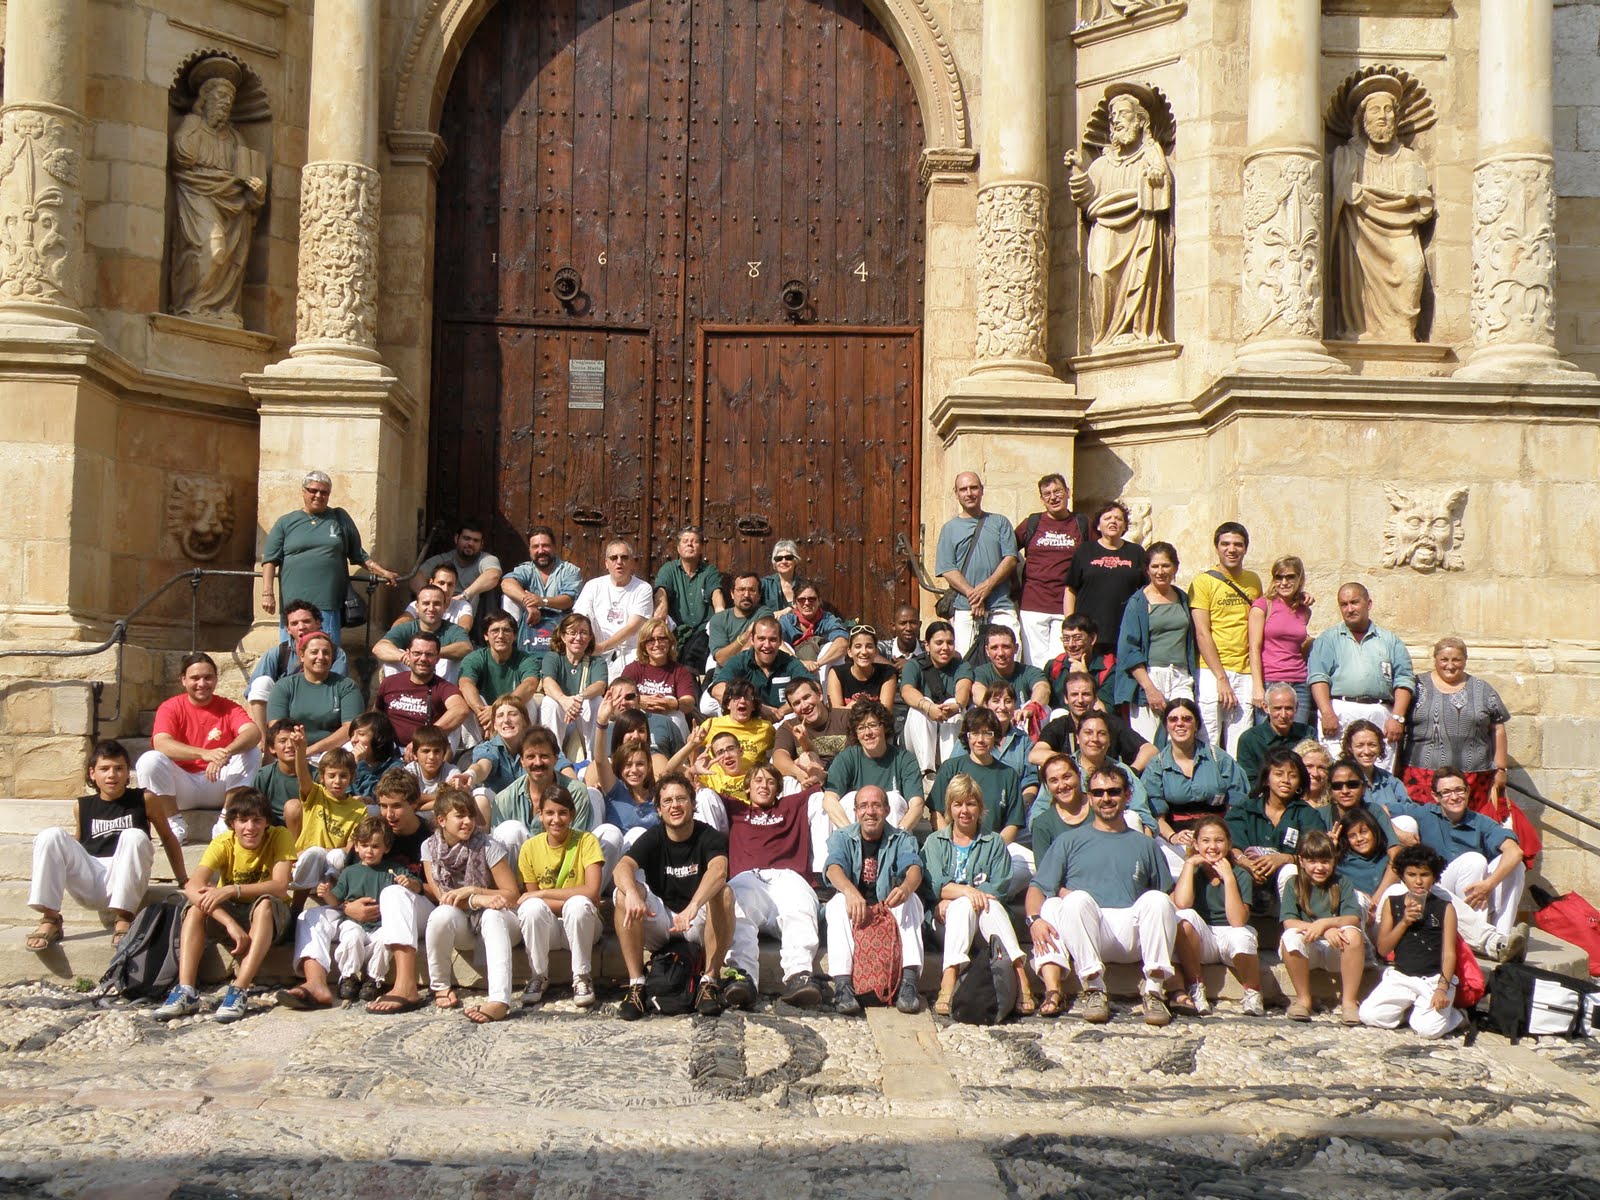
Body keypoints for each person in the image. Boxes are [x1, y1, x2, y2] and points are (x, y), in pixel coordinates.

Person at [1025, 766, 1179, 1024]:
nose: (1105, 798)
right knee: (1075, 900)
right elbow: (1038, 887)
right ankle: (1094, 988)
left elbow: (1168, 894)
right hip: (1089, 931)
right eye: (1098, 792)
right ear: (1090, 796)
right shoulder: (1069, 841)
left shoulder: (1145, 844)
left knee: (1158, 900)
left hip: (1133, 931)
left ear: (1127, 795)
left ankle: (1154, 991)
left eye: (1113, 792)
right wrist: (1034, 920)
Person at [26, 740, 185, 953]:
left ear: (128, 773)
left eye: (119, 768)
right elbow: (77, 848)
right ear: (92, 774)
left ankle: (124, 917)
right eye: (104, 769)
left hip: (125, 875)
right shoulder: (82, 806)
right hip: (91, 877)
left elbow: (167, 837)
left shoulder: (145, 799)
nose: (112, 775)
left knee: (135, 835)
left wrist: (183, 878)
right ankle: (51, 918)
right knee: (50, 835)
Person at [153, 788, 293, 1023]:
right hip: (233, 914)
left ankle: (239, 988)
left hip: (272, 916)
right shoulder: (223, 843)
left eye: (257, 820)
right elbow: (192, 886)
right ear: (232, 824)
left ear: (267, 822)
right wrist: (229, 923)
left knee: (265, 904)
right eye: (243, 821)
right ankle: (186, 990)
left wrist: (231, 889)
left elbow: (280, 885)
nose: (250, 827)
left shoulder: (279, 836)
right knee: (196, 905)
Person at [614, 772, 737, 1020]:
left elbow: (719, 870)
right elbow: (622, 868)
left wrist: (693, 907)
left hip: (696, 921)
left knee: (723, 893)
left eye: (681, 799)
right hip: (661, 920)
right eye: (667, 801)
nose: (675, 806)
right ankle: (637, 984)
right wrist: (633, 895)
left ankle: (709, 981)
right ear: (659, 809)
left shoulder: (708, 836)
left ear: (693, 804)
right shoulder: (654, 837)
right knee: (622, 894)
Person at [1063, 87, 1173, 349]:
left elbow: (1161, 178)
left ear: (1141, 120)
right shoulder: (1101, 164)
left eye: (1123, 114)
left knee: (1140, 275)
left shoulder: (1150, 155)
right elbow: (1086, 196)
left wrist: (1156, 175)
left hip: (1139, 229)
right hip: (1105, 230)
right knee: (1099, 274)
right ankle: (1105, 336)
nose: (1116, 120)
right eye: (1113, 116)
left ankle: (1136, 330)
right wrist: (1079, 171)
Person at [275, 814, 421, 1009]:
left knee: (382, 942)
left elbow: (417, 885)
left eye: (375, 847)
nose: (369, 851)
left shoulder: (393, 869)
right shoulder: (350, 872)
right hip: (354, 922)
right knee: (321, 921)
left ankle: (373, 980)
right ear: (357, 846)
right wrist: (327, 895)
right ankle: (336, 979)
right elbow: (336, 899)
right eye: (365, 845)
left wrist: (409, 883)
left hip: (382, 924)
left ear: (386, 848)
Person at [1329, 75, 1435, 343]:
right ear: (1362, 118)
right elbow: (1335, 199)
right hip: (1360, 235)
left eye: (1388, 110)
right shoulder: (1347, 156)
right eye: (1375, 110)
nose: (1383, 116)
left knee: (1412, 266)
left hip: (1400, 233)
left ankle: (1402, 333)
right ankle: (1359, 329)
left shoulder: (1408, 159)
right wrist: (1348, 192)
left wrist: (1401, 200)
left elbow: (1422, 207)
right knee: (1357, 277)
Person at [1385, 768, 1528, 963]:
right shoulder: (1425, 813)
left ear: (1468, 791)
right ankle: (1484, 942)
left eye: (1459, 790)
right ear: (1436, 796)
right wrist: (1400, 834)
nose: (1454, 797)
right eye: (1446, 792)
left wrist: (1489, 884)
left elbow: (1515, 852)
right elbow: (1379, 810)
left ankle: (1502, 938)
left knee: (1515, 866)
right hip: (1435, 888)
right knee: (1474, 860)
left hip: (1474, 891)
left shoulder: (1481, 822)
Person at [925, 774, 1034, 1017]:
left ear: (980, 807)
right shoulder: (935, 842)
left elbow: (1000, 887)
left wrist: (959, 893)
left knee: (988, 906)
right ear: (949, 808)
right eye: (958, 804)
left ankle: (1020, 973)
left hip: (985, 921)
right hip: (944, 922)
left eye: (970, 803)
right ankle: (950, 976)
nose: (964, 810)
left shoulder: (994, 842)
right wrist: (966, 892)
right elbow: (933, 886)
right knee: (965, 905)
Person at [168, 56, 266, 324]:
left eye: (229, 99)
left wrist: (255, 191)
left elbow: (249, 179)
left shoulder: (235, 138)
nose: (225, 103)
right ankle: (192, 305)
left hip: (232, 204)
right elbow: (181, 157)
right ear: (205, 99)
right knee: (213, 248)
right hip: (197, 194)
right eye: (220, 97)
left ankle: (221, 308)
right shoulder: (192, 125)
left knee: (230, 259)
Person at [724, 763, 824, 1007]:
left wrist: (815, 776)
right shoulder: (735, 808)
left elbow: (818, 789)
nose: (763, 785)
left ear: (778, 789)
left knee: (800, 907)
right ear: (746, 788)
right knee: (737, 906)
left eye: (770, 782)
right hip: (749, 877)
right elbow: (700, 795)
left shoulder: (790, 806)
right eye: (757, 781)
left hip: (787, 876)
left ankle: (799, 975)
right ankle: (742, 976)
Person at [260, 470, 400, 644]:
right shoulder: (286, 522)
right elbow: (270, 560)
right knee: (291, 656)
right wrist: (267, 593)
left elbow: (358, 554)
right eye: (313, 490)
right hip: (293, 605)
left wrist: (383, 572)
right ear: (303, 492)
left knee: (325, 652)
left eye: (324, 492)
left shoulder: (339, 518)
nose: (318, 495)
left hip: (327, 603)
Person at [137, 652, 262, 844]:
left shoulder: (228, 707)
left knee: (252, 752)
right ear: (183, 680)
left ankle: (226, 820)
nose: (202, 683)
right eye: (195, 678)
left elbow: (253, 733)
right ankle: (173, 823)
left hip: (219, 783)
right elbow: (161, 742)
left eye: (208, 677)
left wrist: (225, 753)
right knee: (149, 760)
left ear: (216, 679)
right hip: (181, 787)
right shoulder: (171, 707)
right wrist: (205, 754)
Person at [420, 788, 522, 1023]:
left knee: (492, 916)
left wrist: (475, 891)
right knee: (441, 914)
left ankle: (499, 1000)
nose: (468, 822)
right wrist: (478, 900)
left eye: (471, 816)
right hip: (463, 920)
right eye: (460, 816)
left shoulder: (487, 845)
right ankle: (441, 986)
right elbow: (443, 896)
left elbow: (512, 895)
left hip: (500, 921)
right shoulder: (429, 847)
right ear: (442, 820)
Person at [823, 785, 926, 1015]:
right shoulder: (843, 837)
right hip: (854, 909)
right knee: (836, 905)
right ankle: (842, 985)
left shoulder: (901, 838)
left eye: (876, 805)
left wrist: (907, 888)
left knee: (911, 901)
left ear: (887, 810)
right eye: (864, 806)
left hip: (886, 907)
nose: (870, 812)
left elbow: (913, 867)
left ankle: (908, 982)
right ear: (856, 811)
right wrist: (850, 892)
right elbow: (833, 868)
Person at [1400, 637, 1514, 817]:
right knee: (1425, 826)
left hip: (1473, 779)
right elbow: (1399, 726)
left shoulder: (1482, 689)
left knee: (1468, 828)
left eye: (1457, 660)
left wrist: (1501, 769)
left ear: (1465, 660)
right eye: (1444, 660)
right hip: (1421, 777)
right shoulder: (1416, 686)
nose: (1450, 665)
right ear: (1435, 659)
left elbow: (1497, 727)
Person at [1308, 582, 1416, 771]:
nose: (1349, 609)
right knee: (1337, 772)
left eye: (1354, 602)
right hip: (1339, 712)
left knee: (1380, 771)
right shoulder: (1328, 639)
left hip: (1380, 712)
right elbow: (1318, 677)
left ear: (1369, 604)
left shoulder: (1390, 641)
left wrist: (1397, 717)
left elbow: (1404, 680)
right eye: (1344, 604)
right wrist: (1326, 713)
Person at [1359, 844, 1463, 1039]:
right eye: (1411, 874)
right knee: (1369, 1015)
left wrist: (1442, 987)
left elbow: (1449, 953)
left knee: (1427, 1031)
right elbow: (1383, 948)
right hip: (1402, 976)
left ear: (1433, 876)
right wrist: (1404, 922)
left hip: (1432, 978)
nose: (1418, 881)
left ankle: (1454, 1017)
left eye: (1424, 875)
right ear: (1402, 876)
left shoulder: (1444, 908)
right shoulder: (1393, 904)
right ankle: (1410, 1010)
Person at [516, 784, 605, 1009]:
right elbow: (532, 900)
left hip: (584, 924)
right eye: (550, 813)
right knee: (532, 908)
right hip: (551, 929)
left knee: (578, 905)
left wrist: (545, 893)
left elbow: (591, 891)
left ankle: (582, 976)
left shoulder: (586, 841)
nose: (556, 819)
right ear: (540, 815)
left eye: (562, 813)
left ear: (572, 815)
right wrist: (546, 898)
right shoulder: (529, 848)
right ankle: (538, 975)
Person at [927, 708, 1029, 895]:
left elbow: (1013, 824)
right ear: (967, 736)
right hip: (954, 845)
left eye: (987, 733)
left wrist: (991, 847)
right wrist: (952, 842)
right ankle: (976, 893)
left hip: (994, 848)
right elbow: (935, 812)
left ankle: (988, 893)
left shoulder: (1008, 774)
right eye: (974, 733)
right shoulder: (952, 767)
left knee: (1028, 864)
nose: (980, 740)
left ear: (996, 737)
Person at [1172, 816, 1264, 1016]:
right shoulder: (1194, 872)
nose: (1212, 847)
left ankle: (1253, 991)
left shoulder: (1240, 874)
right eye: (1205, 841)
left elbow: (1238, 920)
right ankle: (1196, 987)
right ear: (1196, 844)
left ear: (1228, 843)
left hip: (1229, 933)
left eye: (1219, 841)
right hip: (1203, 936)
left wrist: (1228, 877)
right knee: (1185, 916)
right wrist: (1188, 866)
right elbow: (1181, 903)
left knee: (1243, 934)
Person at [816, 700, 925, 868]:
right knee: (847, 799)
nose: (867, 733)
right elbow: (829, 800)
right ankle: (837, 864)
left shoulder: (904, 759)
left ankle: (892, 863)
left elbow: (917, 804)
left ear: (884, 727)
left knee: (892, 800)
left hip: (893, 831)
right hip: (855, 831)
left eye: (873, 725)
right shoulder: (848, 757)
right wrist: (851, 834)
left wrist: (898, 835)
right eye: (861, 728)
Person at [362, 769, 435, 1015]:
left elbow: (445, 893)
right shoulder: (377, 835)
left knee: (394, 893)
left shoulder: (431, 837)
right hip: (379, 914)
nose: (388, 814)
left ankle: (406, 986)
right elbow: (353, 877)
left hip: (426, 910)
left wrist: (419, 887)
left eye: (396, 806)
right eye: (383, 806)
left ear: (414, 803)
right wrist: (345, 907)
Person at [1190, 522, 1263, 757]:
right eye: (1226, 544)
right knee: (1208, 740)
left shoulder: (1253, 581)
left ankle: (1237, 793)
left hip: (1244, 671)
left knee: (1239, 744)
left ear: (1246, 548)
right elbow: (1202, 632)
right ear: (1217, 547)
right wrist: (1221, 678)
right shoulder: (1203, 582)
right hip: (1212, 670)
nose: (1232, 549)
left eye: (1238, 544)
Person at [1278, 830, 1365, 1024]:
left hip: (1336, 950)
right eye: (1313, 861)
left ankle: (1349, 1002)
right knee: (1290, 937)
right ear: (1301, 861)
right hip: (1309, 949)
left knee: (1353, 935)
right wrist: (1323, 929)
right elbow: (1289, 921)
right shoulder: (1294, 883)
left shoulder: (1342, 883)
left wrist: (1327, 923)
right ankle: (1303, 999)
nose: (1319, 867)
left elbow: (1353, 917)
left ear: (1333, 861)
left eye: (1325, 861)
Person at [1140, 698, 1247, 856]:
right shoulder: (1157, 765)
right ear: (1166, 725)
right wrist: (1173, 837)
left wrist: (1220, 835)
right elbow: (1156, 816)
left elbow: (1237, 803)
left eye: (1187, 719)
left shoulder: (1218, 757)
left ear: (1196, 724)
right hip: (1178, 838)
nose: (1180, 723)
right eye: (1173, 719)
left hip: (1217, 837)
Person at [1115, 541, 1197, 740]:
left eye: (1166, 565)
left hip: (1180, 675)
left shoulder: (1183, 599)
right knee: (1149, 741)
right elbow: (1129, 650)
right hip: (1150, 676)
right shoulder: (1138, 603)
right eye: (1155, 566)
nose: (1160, 571)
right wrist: (1150, 689)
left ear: (1175, 567)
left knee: (1183, 736)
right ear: (1148, 570)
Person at [1226, 748, 1327, 903]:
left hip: (1290, 882)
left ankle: (1291, 919)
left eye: (1292, 776)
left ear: (1300, 782)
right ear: (1266, 779)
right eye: (1279, 774)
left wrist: (1285, 858)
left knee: (1290, 871)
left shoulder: (1307, 814)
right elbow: (1230, 844)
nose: (1285, 780)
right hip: (1247, 876)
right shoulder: (1244, 809)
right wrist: (1246, 862)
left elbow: (1316, 855)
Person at [934, 471, 1020, 651]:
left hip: (1000, 604)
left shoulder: (1000, 522)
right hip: (966, 608)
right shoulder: (949, 528)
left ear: (982, 490)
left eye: (973, 487)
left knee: (1008, 657)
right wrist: (974, 596)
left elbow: (1010, 559)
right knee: (967, 662)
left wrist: (987, 587)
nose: (969, 493)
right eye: (963, 489)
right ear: (956, 493)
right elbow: (948, 569)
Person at [243, 600, 349, 743]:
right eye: (294, 623)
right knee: (261, 684)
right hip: (281, 708)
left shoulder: (335, 653)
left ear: (318, 623)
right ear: (287, 629)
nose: (301, 627)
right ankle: (265, 743)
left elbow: (336, 688)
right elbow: (252, 694)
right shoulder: (278, 653)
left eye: (306, 621)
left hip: (320, 705)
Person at [1015, 473, 1089, 667]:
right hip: (1033, 604)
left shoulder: (1082, 523)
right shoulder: (1032, 523)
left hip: (1067, 605)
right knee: (1035, 664)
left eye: (1057, 491)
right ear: (1041, 499)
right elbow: (1006, 552)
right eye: (1047, 494)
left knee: (1061, 662)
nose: (1053, 497)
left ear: (1068, 493)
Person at [485, 728, 595, 855]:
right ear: (522, 761)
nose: (538, 762)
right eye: (531, 757)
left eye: (544, 756)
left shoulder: (576, 793)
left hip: (565, 865)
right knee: (510, 830)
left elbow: (576, 844)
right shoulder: (504, 799)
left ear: (556, 758)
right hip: (519, 869)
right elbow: (497, 853)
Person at [283, 730, 365, 897]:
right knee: (314, 854)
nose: (337, 781)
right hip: (306, 863)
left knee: (336, 855)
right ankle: (297, 904)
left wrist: (322, 851)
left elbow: (350, 848)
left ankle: (332, 893)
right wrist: (300, 750)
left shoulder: (358, 809)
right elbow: (303, 777)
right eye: (331, 775)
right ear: (321, 777)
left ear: (351, 778)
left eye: (343, 776)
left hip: (330, 868)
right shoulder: (316, 794)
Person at [1065, 501, 1146, 661]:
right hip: (1088, 633)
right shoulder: (1085, 551)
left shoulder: (1136, 553)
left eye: (1118, 518)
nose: (1113, 521)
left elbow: (1146, 591)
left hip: (1125, 632)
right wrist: (1070, 625)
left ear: (1124, 526)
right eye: (1107, 518)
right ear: (1098, 525)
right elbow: (1070, 589)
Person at [265, 631, 363, 760]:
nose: (321, 657)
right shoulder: (285, 686)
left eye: (326, 652)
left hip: (333, 751)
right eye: (314, 652)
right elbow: (277, 727)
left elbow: (350, 728)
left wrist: (312, 750)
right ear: (301, 655)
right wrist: (299, 749)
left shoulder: (346, 686)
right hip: (294, 749)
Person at [1031, 671, 1154, 774]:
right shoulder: (1059, 725)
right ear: (1065, 698)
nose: (1080, 700)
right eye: (1074, 694)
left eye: (1085, 694)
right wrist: (1075, 764)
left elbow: (1150, 750)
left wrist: (1129, 772)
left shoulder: (1110, 723)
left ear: (1095, 698)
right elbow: (1035, 755)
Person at [574, 539, 655, 680]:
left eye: (624, 557)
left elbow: (632, 627)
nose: (619, 562)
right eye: (614, 558)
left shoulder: (643, 588)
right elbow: (579, 619)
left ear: (631, 562)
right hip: (594, 645)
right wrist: (593, 647)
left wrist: (603, 647)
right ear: (606, 563)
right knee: (583, 615)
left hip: (629, 650)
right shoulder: (593, 586)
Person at [899, 620, 973, 775]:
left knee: (955, 705)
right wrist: (928, 707)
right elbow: (907, 690)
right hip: (917, 737)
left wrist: (957, 706)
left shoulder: (962, 666)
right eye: (939, 643)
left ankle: (950, 771)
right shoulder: (914, 665)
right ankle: (927, 773)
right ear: (927, 645)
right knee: (920, 709)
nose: (945, 648)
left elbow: (963, 688)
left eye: (950, 643)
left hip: (951, 732)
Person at [1248, 555, 1314, 725]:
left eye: (1290, 577)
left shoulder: (1304, 610)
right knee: (1268, 742)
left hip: (1300, 682)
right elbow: (1254, 648)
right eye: (1279, 577)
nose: (1284, 582)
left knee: (1298, 742)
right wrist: (1257, 686)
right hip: (1270, 680)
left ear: (1299, 578)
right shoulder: (1263, 606)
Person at [374, 631, 470, 748]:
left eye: (429, 654)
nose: (423, 659)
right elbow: (375, 716)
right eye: (417, 653)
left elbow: (461, 709)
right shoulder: (390, 682)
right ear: (408, 654)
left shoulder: (443, 687)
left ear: (437, 658)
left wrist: (424, 739)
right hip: (387, 750)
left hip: (424, 752)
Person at [709, 615, 816, 719]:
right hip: (749, 722)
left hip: (785, 722)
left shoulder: (790, 662)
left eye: (773, 639)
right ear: (752, 639)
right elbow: (717, 690)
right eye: (761, 639)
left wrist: (782, 711)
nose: (767, 645)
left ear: (780, 641)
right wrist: (757, 706)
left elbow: (814, 688)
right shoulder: (740, 661)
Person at [620, 618, 698, 754]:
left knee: (677, 716)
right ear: (643, 645)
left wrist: (671, 703)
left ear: (670, 642)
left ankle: (680, 759)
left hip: (669, 718)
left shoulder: (680, 671)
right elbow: (620, 698)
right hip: (640, 718)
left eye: (662, 638)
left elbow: (689, 702)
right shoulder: (633, 669)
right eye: (650, 640)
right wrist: (640, 701)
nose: (657, 644)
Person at [653, 525, 725, 672]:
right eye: (685, 541)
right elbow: (661, 591)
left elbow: (715, 592)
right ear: (678, 548)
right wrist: (660, 617)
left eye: (694, 541)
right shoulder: (669, 569)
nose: (690, 544)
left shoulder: (709, 571)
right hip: (677, 629)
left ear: (701, 548)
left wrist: (721, 615)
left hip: (703, 630)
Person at [501, 526, 582, 655]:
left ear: (554, 548)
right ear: (529, 550)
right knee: (508, 598)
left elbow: (568, 600)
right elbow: (506, 584)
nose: (541, 551)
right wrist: (529, 604)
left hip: (559, 624)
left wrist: (542, 601)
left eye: (545, 546)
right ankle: (512, 647)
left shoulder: (569, 570)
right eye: (535, 547)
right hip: (531, 622)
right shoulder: (526, 569)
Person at [537, 613, 607, 757]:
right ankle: (553, 756)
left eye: (584, 633)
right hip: (560, 717)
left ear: (590, 638)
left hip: (582, 717)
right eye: (572, 633)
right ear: (563, 636)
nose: (578, 637)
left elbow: (600, 686)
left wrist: (579, 698)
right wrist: (564, 700)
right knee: (550, 702)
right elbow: (548, 683)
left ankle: (593, 756)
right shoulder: (553, 657)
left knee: (595, 701)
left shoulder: (597, 661)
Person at [457, 612, 540, 733]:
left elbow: (530, 684)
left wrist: (497, 710)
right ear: (486, 635)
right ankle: (475, 749)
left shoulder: (526, 659)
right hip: (484, 717)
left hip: (511, 713)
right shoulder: (475, 658)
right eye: (495, 631)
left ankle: (522, 744)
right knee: (467, 702)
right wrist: (485, 715)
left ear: (514, 636)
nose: (500, 635)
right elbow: (465, 684)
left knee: (529, 703)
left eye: (506, 630)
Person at [374, 583, 472, 682]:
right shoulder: (406, 628)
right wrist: (404, 657)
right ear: (417, 607)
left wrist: (433, 654)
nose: (431, 608)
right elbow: (379, 647)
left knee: (457, 660)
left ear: (445, 606)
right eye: (426, 603)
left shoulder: (453, 629)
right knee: (391, 662)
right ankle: (396, 696)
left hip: (443, 682)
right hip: (410, 677)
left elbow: (466, 647)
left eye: (437, 604)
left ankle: (450, 694)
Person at [771, 677, 851, 790]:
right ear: (793, 709)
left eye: (806, 697)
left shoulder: (846, 717)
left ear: (820, 695)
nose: (804, 706)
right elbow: (779, 758)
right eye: (797, 703)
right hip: (810, 784)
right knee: (805, 759)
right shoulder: (789, 727)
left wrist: (825, 775)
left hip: (846, 779)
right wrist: (799, 773)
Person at [412, 520, 502, 617]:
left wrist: (463, 596)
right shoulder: (444, 559)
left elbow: (493, 575)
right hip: (438, 608)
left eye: (476, 540)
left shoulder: (486, 559)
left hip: (466, 610)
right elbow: (415, 576)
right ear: (456, 539)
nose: (470, 543)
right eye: (466, 538)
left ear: (481, 544)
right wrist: (429, 596)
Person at [1235, 684, 1315, 793]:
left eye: (1288, 708)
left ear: (1297, 708)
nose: (1283, 715)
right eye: (1277, 708)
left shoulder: (1307, 733)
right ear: (1265, 707)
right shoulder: (1249, 739)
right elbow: (1249, 782)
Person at [971, 625, 1052, 722]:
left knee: (1044, 709)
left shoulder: (1029, 671)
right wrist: (1000, 712)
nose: (1000, 653)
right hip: (992, 722)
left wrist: (1029, 709)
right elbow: (978, 692)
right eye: (994, 648)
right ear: (987, 651)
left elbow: (1043, 688)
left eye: (1006, 647)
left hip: (1022, 722)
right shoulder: (980, 672)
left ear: (1016, 648)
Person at [1043, 615, 1114, 708]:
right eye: (1066, 639)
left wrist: (1086, 677)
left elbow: (1105, 713)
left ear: (1092, 639)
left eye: (1077, 638)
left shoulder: (1108, 669)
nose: (1071, 644)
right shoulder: (1054, 666)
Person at [779, 581, 849, 673]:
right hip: (795, 669)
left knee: (830, 647)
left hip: (820, 667)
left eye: (811, 599)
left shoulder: (827, 619)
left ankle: (829, 687)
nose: (807, 603)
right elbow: (776, 642)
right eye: (802, 600)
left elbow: (842, 643)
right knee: (781, 644)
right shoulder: (787, 621)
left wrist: (817, 664)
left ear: (819, 601)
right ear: (795, 603)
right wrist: (800, 663)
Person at [708, 571, 773, 668]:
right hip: (725, 676)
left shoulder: (764, 614)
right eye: (741, 590)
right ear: (732, 594)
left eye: (752, 590)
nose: (746, 595)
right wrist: (744, 637)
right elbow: (721, 660)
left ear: (759, 595)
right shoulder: (719, 619)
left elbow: (757, 650)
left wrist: (731, 652)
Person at [1027, 754, 1088, 855]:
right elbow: (1045, 869)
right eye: (1054, 781)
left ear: (1079, 775)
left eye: (1066, 777)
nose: (1062, 785)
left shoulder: (1100, 808)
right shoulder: (1042, 824)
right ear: (1047, 786)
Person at [1341, 719, 1410, 809]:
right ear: (1350, 748)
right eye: (1360, 746)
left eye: (1372, 745)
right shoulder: (1343, 779)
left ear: (1380, 747)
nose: (1366, 751)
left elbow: (1409, 810)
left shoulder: (1390, 780)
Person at [828, 624, 898, 709]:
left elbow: (885, 712)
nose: (864, 652)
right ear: (850, 652)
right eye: (858, 646)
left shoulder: (887, 673)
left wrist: (852, 708)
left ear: (876, 651)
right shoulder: (837, 673)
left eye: (869, 646)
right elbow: (836, 712)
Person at [395, 560, 474, 634]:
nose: (445, 589)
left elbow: (465, 627)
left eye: (450, 584)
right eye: (441, 583)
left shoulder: (462, 606)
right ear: (431, 582)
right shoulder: (418, 604)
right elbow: (399, 624)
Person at [249, 720, 300, 822]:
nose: (290, 745)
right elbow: (252, 808)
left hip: (305, 831)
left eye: (294, 740)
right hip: (272, 831)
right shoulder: (264, 776)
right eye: (283, 741)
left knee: (293, 807)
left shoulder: (314, 775)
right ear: (272, 748)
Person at [349, 712, 403, 801]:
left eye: (361, 734)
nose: (353, 740)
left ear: (378, 738)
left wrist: (360, 764)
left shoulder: (395, 767)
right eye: (352, 735)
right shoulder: (346, 762)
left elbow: (379, 797)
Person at [760, 540, 803, 619]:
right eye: (779, 558)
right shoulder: (765, 584)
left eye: (788, 558)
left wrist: (789, 609)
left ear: (795, 561)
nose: (783, 561)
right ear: (774, 563)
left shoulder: (804, 585)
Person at [877, 605, 922, 671]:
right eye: (903, 623)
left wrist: (911, 666)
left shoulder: (927, 649)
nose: (908, 628)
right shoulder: (885, 647)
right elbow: (869, 655)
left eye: (913, 623)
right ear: (893, 626)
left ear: (919, 625)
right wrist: (893, 668)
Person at [1297, 739, 1334, 811]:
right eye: (1309, 766)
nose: (1315, 773)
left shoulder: (1335, 806)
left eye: (1321, 768)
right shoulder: (1286, 803)